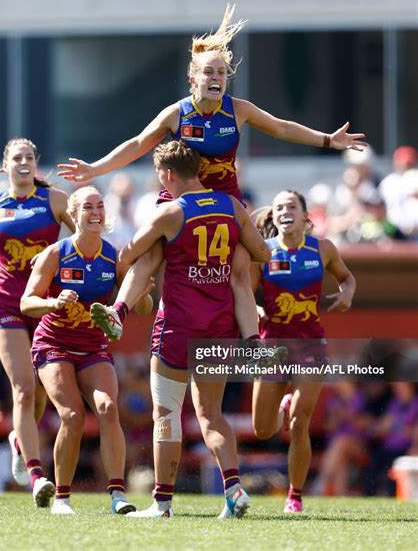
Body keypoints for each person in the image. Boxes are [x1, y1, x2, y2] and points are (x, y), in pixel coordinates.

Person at [58, 4, 366, 344]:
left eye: (221, 73)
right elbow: (137, 144)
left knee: (241, 268)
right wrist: (95, 169)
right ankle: (118, 312)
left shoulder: (238, 109)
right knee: (150, 253)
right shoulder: (177, 113)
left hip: (225, 199)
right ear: (194, 78)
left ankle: (251, 344)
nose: (216, 78)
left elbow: (281, 128)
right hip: (181, 198)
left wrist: (327, 140)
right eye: (209, 72)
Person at [115, 140, 271, 519]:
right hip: (219, 329)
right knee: (211, 415)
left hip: (177, 328)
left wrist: (153, 249)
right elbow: (262, 256)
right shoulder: (232, 207)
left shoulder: (171, 211)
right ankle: (233, 489)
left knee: (166, 415)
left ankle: (162, 503)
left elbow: (128, 253)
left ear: (168, 174)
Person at [20, 185, 153, 515]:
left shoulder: (114, 255)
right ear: (74, 215)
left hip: (93, 347)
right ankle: (62, 498)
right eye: (88, 207)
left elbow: (143, 307)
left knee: (108, 409)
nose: (95, 212)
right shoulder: (56, 253)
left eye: (100, 206)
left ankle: (117, 495)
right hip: (54, 345)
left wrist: (143, 292)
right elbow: (26, 302)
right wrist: (53, 302)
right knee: (72, 415)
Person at [0, 138, 74, 506]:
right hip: (7, 302)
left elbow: (85, 237)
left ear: (35, 163)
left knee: (40, 391)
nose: (23, 163)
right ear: (4, 165)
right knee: (23, 388)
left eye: (29, 157)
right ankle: (37, 475)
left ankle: (17, 440)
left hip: (45, 303)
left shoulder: (55, 200)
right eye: (17, 158)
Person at [250, 190, 356, 513]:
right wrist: (255, 309)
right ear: (274, 216)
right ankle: (283, 404)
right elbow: (243, 291)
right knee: (263, 429)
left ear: (304, 215)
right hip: (273, 346)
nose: (285, 211)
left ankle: (295, 497)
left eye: (291, 206)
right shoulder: (262, 253)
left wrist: (347, 293)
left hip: (311, 345)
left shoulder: (322, 249)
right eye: (279, 206)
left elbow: (347, 277)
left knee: (300, 423)